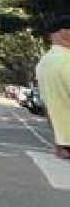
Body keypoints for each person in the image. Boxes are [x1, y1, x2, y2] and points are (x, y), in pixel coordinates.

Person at [35, 16, 70, 159]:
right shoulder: (66, 60)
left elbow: (48, 108)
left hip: (62, 143)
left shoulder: (42, 64)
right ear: (65, 33)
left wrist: (59, 142)